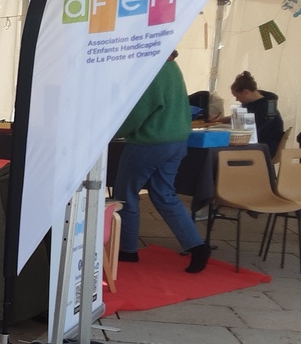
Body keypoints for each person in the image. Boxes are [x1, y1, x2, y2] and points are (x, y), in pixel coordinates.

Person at [113, 51, 210, 273]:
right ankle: (197, 246)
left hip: (149, 142)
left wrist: (113, 133)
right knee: (165, 195)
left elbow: (138, 113)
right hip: (177, 141)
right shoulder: (172, 67)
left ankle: (128, 250)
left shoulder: (151, 70)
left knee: (126, 194)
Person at [225, 70, 284, 151]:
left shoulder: (267, 108)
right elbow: (240, 118)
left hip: (263, 147)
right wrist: (221, 119)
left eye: (237, 96)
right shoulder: (258, 104)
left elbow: (256, 131)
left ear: (246, 92)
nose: (237, 99)